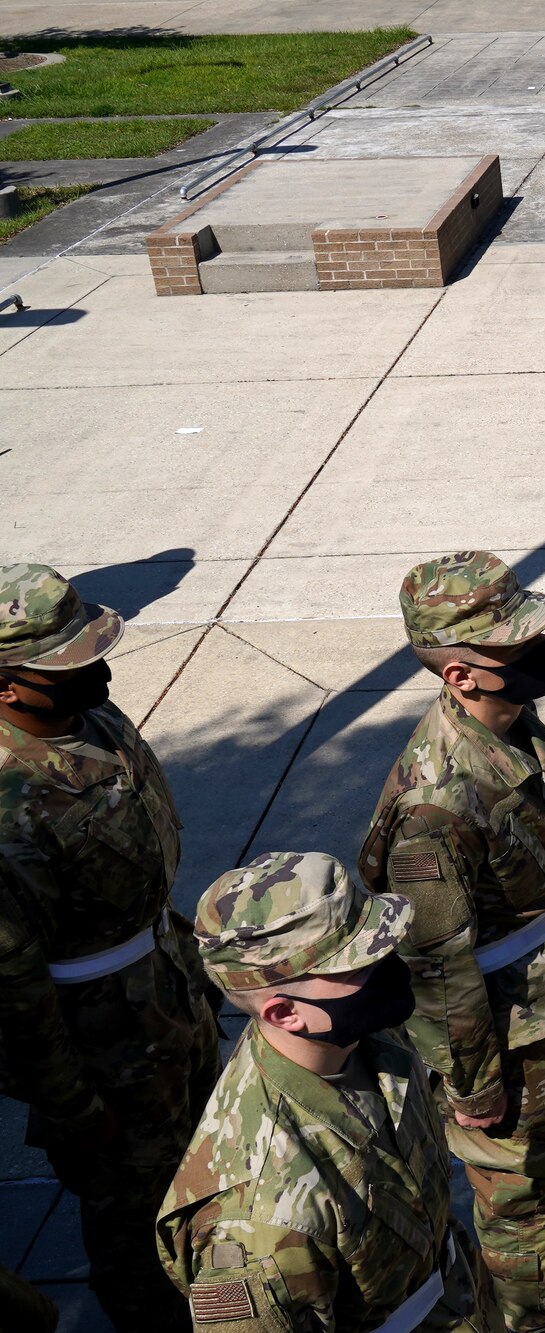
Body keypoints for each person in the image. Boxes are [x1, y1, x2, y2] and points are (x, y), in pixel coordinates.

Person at [357, 552, 545, 1333]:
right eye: (512, 644)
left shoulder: (508, 726)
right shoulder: (435, 802)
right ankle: (531, 1314)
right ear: (460, 675)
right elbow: (437, 967)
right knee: (522, 1199)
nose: (535, 651)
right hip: (505, 1030)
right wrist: (476, 1085)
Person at [0, 562, 221, 1333]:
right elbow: (13, 985)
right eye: (63, 662)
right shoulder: (6, 805)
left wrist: (191, 956)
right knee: (136, 1222)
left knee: (207, 1178)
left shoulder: (92, 720)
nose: (93, 667)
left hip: (165, 993)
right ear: (5, 687)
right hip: (102, 1044)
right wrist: (71, 1100)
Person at [157, 851, 497, 1331]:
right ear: (285, 1014)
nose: (388, 957)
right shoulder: (259, 1220)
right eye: (356, 962)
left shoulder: (368, 1038)